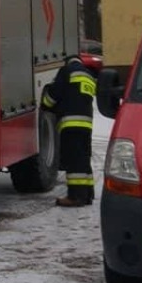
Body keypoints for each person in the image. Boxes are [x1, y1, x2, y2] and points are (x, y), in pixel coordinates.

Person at [43, 55, 98, 206]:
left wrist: (45, 103)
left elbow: (52, 97)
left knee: (74, 161)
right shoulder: (88, 75)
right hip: (86, 125)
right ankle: (87, 194)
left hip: (70, 123)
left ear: (67, 62)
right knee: (84, 159)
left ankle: (75, 197)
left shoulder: (66, 71)